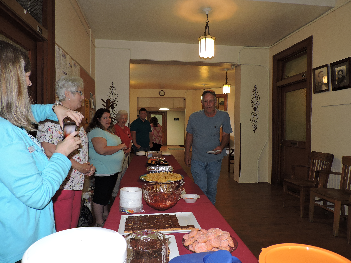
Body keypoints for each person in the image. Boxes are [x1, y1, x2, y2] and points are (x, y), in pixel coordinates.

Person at [0, 40, 83, 263]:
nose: (29, 83)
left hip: (31, 239)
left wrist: (54, 108)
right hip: (19, 248)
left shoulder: (7, 119)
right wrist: (62, 154)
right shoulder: (4, 135)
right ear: (9, 81)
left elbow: (27, 112)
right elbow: (38, 196)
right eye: (25, 77)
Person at [37, 76, 95, 232]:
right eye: (80, 92)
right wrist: (79, 166)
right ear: (67, 93)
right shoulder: (53, 118)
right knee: (62, 232)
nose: (83, 97)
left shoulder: (71, 118)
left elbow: (72, 148)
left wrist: (86, 166)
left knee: (71, 230)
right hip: (61, 184)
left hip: (75, 182)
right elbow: (49, 150)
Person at [184, 90, 232, 205]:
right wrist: (186, 154)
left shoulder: (223, 116)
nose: (208, 104)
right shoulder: (194, 117)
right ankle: (202, 213)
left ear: (215, 102)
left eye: (211, 101)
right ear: (202, 102)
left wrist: (221, 146)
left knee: (211, 189)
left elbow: (226, 134)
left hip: (215, 160)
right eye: (206, 101)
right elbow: (189, 135)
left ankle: (211, 214)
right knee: (201, 189)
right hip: (197, 159)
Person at [86, 108, 127, 226]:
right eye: (105, 118)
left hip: (111, 171)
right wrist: (120, 147)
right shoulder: (96, 131)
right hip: (103, 170)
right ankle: (99, 222)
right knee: (100, 196)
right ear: (98, 119)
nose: (108, 120)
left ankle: (105, 215)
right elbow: (101, 150)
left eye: (109, 117)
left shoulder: (106, 131)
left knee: (106, 195)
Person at [112, 110, 132, 197]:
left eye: (125, 118)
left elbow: (129, 140)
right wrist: (124, 150)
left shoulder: (127, 129)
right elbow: (115, 142)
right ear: (118, 119)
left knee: (124, 172)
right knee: (119, 173)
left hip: (127, 153)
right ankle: (115, 193)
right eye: (122, 118)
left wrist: (129, 149)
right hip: (119, 154)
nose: (124, 120)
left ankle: (122, 190)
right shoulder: (115, 128)